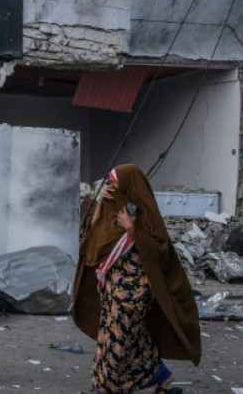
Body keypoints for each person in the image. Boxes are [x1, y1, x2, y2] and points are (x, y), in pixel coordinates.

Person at [72, 164, 201, 394]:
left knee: (117, 343)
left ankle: (101, 389)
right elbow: (92, 245)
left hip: (134, 294)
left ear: (129, 186)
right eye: (109, 184)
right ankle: (160, 373)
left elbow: (160, 251)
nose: (111, 189)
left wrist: (133, 231)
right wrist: (100, 204)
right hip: (112, 292)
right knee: (124, 340)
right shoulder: (114, 211)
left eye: (115, 184)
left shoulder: (144, 215)